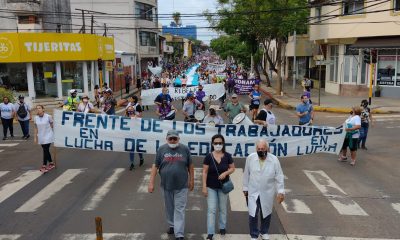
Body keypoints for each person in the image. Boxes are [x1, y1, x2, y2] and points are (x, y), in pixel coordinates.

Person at [148, 130, 194, 240]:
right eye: (170, 138)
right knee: (169, 208)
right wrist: (151, 182)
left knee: (179, 209)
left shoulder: (185, 149)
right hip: (166, 185)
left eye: (175, 138)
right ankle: (172, 225)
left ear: (178, 139)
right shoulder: (161, 149)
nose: (173, 140)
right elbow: (156, 166)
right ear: (167, 139)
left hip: (182, 185)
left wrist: (192, 180)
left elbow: (190, 166)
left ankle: (179, 234)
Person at [243, 139, 285, 240]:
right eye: (259, 148)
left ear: (267, 149)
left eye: (263, 148)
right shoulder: (251, 158)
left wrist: (280, 191)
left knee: (266, 213)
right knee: (253, 213)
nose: (261, 150)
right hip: (253, 191)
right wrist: (245, 188)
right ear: (256, 149)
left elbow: (279, 176)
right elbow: (246, 174)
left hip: (267, 191)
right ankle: (254, 234)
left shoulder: (274, 160)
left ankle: (264, 231)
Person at [202, 134, 235, 240]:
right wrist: (204, 186)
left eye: (220, 143)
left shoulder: (228, 156)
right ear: (212, 144)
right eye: (216, 143)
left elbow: (232, 168)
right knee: (211, 210)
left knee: (222, 209)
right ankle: (210, 232)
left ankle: (222, 227)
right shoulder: (208, 156)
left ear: (223, 143)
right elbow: (204, 172)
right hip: (211, 186)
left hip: (223, 187)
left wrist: (225, 173)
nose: (218, 145)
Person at [34, 105, 56, 173]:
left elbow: (52, 125)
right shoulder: (35, 118)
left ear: (43, 109)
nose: (38, 109)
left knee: (45, 150)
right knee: (46, 150)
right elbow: (35, 128)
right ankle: (51, 163)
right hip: (41, 136)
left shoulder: (48, 116)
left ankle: (44, 166)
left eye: (39, 108)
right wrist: (35, 137)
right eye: (37, 108)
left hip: (48, 135)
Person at [126, 105, 144, 170]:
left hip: (137, 134)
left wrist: (136, 117)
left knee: (138, 148)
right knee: (131, 149)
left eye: (131, 110)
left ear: (133, 110)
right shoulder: (125, 117)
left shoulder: (137, 116)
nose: (130, 111)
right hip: (130, 135)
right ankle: (132, 163)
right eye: (129, 110)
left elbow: (141, 121)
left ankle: (141, 158)